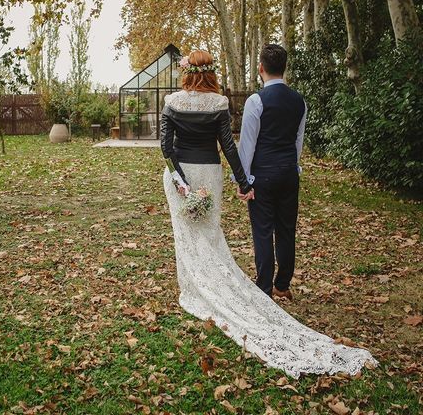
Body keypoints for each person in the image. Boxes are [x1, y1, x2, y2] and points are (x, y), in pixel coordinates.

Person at [161, 49, 376, 378]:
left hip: (208, 174)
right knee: (251, 230)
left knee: (220, 232)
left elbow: (180, 145)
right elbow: (241, 144)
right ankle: (278, 284)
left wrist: (206, 180)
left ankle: (230, 285)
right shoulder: (266, 102)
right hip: (249, 172)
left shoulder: (195, 101)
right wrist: (255, 177)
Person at [236, 43, 305, 300]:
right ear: (284, 68)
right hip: (288, 172)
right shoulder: (299, 101)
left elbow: (248, 144)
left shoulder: (256, 101)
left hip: (263, 174)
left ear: (260, 68)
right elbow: (298, 142)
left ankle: (264, 286)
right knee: (286, 229)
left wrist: (243, 181)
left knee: (263, 230)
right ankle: (282, 283)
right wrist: (291, 167)